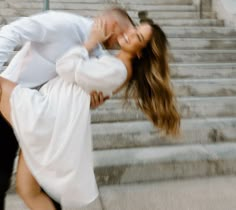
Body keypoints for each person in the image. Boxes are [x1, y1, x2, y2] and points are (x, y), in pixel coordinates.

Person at [0, 18, 180, 209]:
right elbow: (81, 82)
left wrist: (91, 41)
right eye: (135, 29)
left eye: (138, 37)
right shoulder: (115, 64)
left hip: (50, 114)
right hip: (54, 115)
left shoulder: (118, 69)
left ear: (141, 52)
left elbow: (66, 66)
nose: (130, 33)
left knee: (2, 87)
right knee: (27, 189)